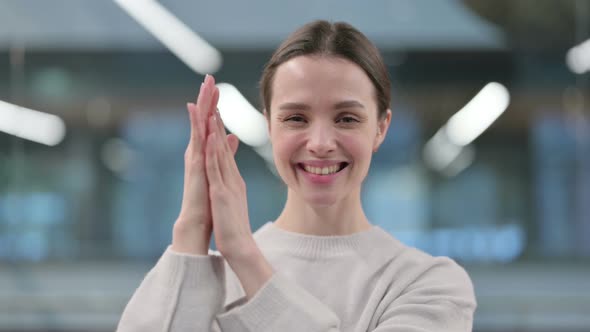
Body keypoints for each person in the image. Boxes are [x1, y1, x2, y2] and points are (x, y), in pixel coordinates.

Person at [116, 20, 476, 332]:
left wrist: (245, 256)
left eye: (346, 118)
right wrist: (192, 228)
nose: (320, 143)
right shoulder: (200, 278)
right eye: (296, 119)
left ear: (381, 128)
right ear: (269, 125)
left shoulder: (428, 284)